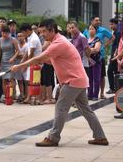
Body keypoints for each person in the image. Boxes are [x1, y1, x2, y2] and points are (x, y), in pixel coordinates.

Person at [11, 19, 108, 147]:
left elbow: (40, 57)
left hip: (72, 81)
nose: (42, 35)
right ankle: (100, 137)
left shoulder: (59, 43)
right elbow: (53, 60)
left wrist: (20, 66)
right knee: (86, 110)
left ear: (52, 30)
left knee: (61, 108)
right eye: (41, 32)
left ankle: (53, 137)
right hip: (78, 80)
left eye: (44, 32)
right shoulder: (58, 41)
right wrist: (42, 61)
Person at [83, 17, 114, 99]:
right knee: (89, 77)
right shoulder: (86, 32)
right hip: (88, 59)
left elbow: (112, 37)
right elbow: (83, 43)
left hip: (99, 57)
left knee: (100, 76)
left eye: (99, 20)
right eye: (96, 20)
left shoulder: (102, 30)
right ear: (92, 21)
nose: (98, 22)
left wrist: (104, 46)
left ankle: (101, 93)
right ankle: (90, 94)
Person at [20, 23, 43, 104]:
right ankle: (29, 97)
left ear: (26, 31)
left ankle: (37, 98)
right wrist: (23, 60)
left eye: (23, 33)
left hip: (36, 63)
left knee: (35, 81)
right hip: (32, 63)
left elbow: (31, 53)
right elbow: (28, 51)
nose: (23, 35)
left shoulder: (34, 39)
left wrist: (26, 65)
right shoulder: (30, 37)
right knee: (30, 81)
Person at [0, 25, 19, 101]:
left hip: (11, 62)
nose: (4, 34)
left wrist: (13, 58)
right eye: (3, 33)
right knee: (4, 79)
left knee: (11, 79)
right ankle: (6, 95)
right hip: (3, 61)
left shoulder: (13, 40)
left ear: (9, 33)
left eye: (6, 33)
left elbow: (18, 51)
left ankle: (12, 95)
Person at [86, 25, 102, 101]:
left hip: (96, 62)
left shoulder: (97, 39)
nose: (91, 30)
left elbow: (97, 49)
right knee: (89, 79)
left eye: (92, 29)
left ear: (95, 31)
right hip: (88, 62)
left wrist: (88, 50)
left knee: (96, 79)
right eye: (89, 29)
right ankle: (89, 94)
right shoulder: (86, 40)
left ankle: (95, 95)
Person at [107, 18, 121, 94]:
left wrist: (114, 54)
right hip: (114, 55)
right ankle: (116, 88)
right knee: (115, 72)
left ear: (116, 24)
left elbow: (118, 45)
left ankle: (113, 88)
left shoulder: (118, 33)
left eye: (112, 24)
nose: (110, 26)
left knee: (110, 71)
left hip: (115, 56)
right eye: (110, 24)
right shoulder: (114, 33)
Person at [15, 31, 28, 102]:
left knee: (26, 81)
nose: (20, 38)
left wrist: (21, 56)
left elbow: (27, 55)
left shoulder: (27, 45)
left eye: (21, 36)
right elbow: (16, 54)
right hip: (18, 64)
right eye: (18, 36)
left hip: (25, 65)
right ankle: (22, 94)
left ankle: (26, 95)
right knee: (19, 80)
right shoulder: (17, 45)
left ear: (24, 37)